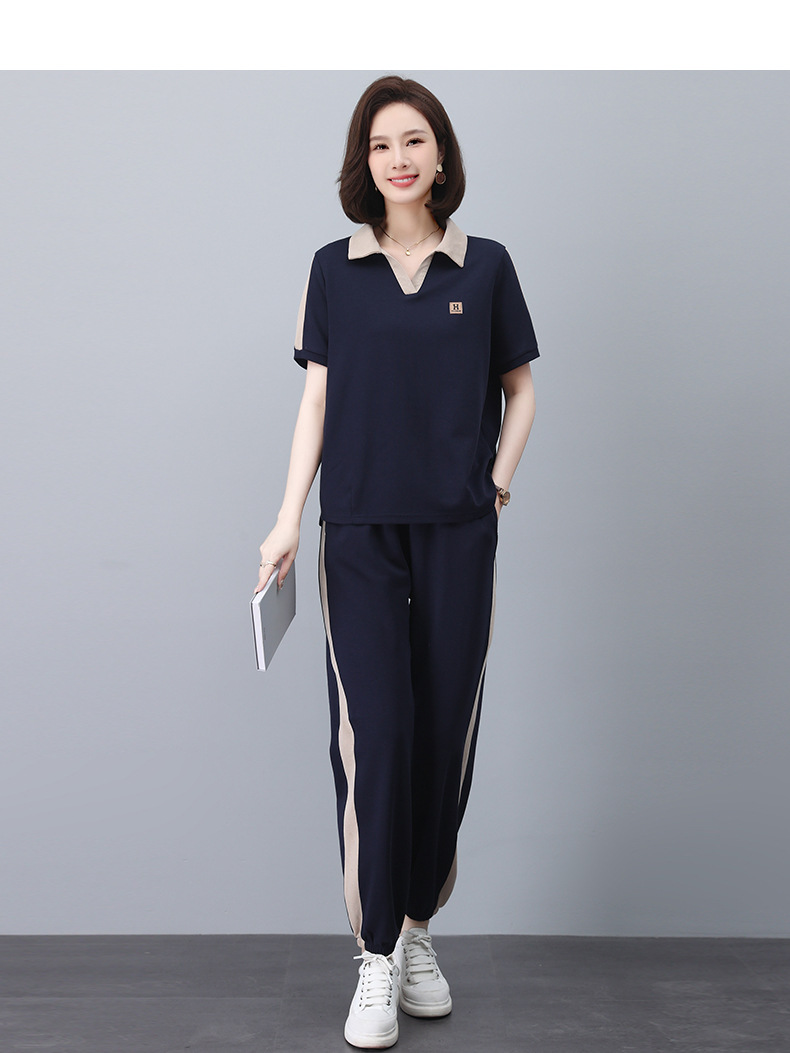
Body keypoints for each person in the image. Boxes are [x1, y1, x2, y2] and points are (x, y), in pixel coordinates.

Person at [255, 75, 538, 1050]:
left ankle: (418, 925)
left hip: (458, 534)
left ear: (441, 155)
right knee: (375, 735)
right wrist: (287, 520)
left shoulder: (486, 266)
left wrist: (494, 484)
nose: (399, 159)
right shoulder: (332, 270)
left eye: (414, 140)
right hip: (360, 537)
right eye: (381, 145)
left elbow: (521, 389)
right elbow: (317, 401)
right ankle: (374, 950)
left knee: (443, 732)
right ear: (363, 163)